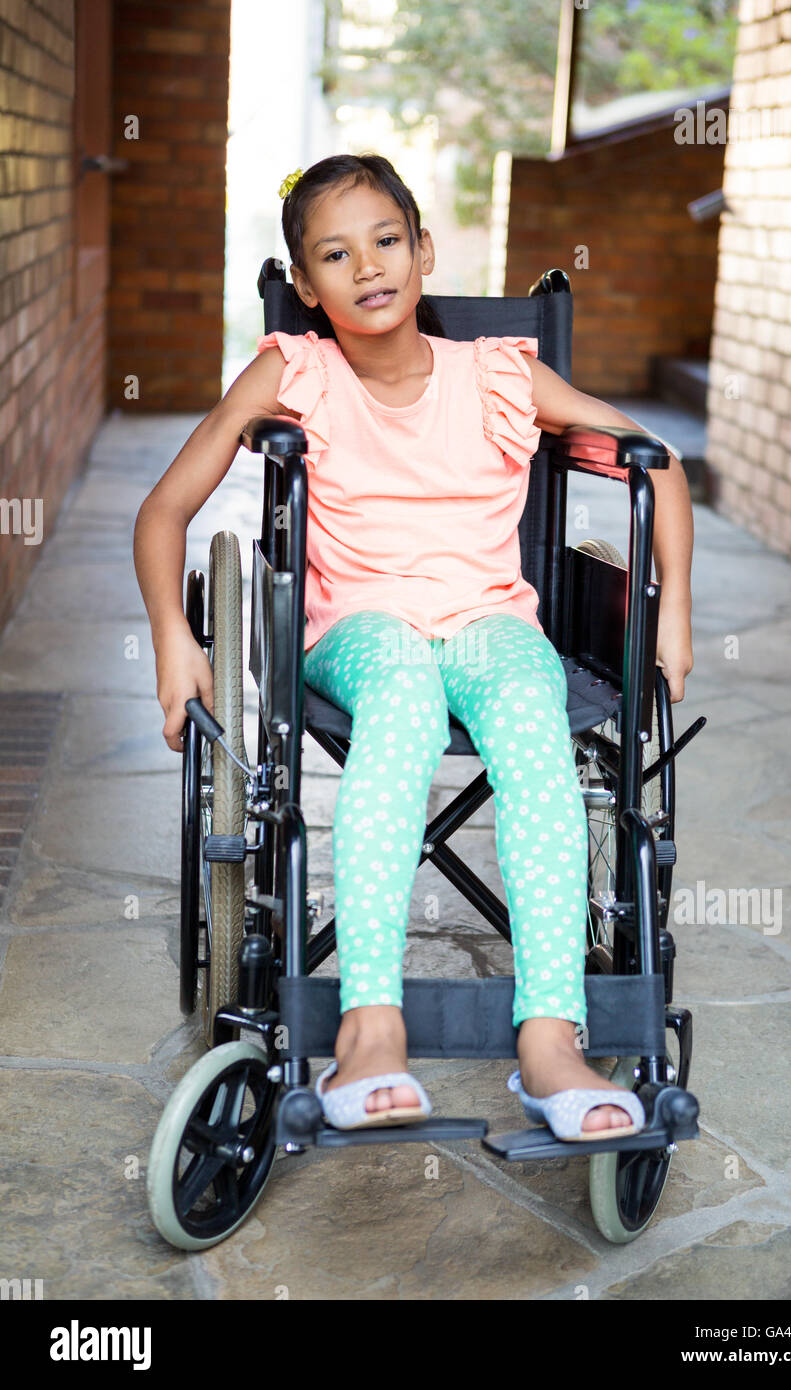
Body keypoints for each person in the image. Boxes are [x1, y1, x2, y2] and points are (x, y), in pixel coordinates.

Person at [134, 153, 694, 1140]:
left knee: (530, 722)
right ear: (305, 287)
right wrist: (174, 638)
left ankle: (549, 1042)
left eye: (386, 241)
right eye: (335, 255)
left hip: (489, 621)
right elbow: (164, 507)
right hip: (357, 626)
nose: (368, 267)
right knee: (399, 697)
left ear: (423, 248)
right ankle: (369, 1028)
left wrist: (674, 607)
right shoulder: (291, 369)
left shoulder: (499, 373)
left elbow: (656, 462)